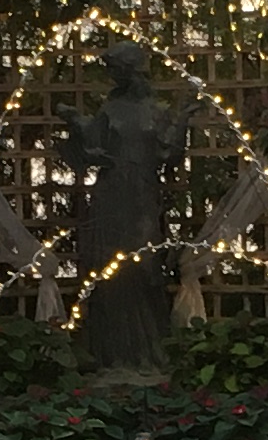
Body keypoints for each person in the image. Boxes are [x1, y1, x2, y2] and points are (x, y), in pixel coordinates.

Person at [70, 39, 188, 376]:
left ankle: (148, 351)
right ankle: (114, 355)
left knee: (144, 265)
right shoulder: (109, 110)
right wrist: (75, 125)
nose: (111, 77)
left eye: (115, 70)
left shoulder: (158, 110)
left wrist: (183, 123)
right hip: (110, 193)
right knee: (110, 269)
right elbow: (91, 146)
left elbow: (170, 156)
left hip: (143, 195)